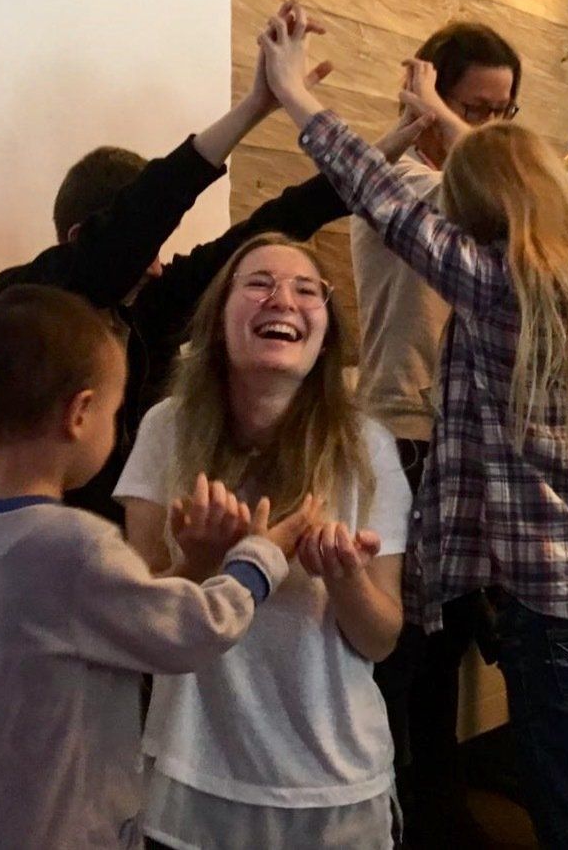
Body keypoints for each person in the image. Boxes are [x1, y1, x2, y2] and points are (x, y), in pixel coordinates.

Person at [264, 5, 568, 849]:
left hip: (558, 602)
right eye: (470, 110)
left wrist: (295, 93)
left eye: (495, 116)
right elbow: (458, 188)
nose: (477, 128)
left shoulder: (492, 281)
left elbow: (386, 192)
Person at [0, 2, 401, 529]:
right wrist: (251, 108)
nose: (158, 268)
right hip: (5, 543)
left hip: (109, 551)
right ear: (83, 240)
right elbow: (143, 216)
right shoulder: (22, 303)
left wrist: (369, 165)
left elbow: (268, 227)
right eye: (147, 251)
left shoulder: (149, 309)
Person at [0, 285, 313, 848]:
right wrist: (261, 556)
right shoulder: (74, 546)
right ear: (80, 413)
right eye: (112, 412)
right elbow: (192, 630)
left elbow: (115, 618)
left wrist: (194, 563)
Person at [114, 233, 412, 849]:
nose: (283, 299)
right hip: (196, 782)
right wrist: (198, 561)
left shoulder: (368, 447)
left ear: (325, 331)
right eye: (258, 284)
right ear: (219, 316)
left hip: (335, 790)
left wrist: (346, 579)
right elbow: (139, 629)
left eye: (306, 290)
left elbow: (381, 638)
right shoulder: (166, 428)